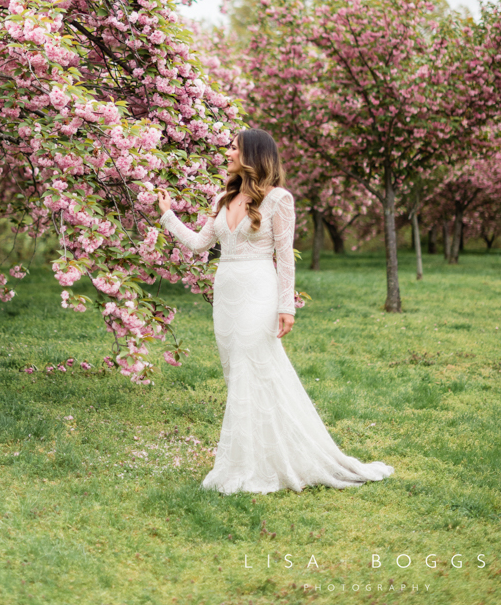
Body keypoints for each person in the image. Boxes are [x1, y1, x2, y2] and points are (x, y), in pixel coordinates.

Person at [157, 127, 394, 495]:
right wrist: (168, 215)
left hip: (258, 292)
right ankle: (254, 454)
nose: (228, 152)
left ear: (253, 155)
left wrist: (287, 307)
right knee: (238, 372)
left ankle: (254, 465)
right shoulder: (223, 199)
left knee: (255, 368)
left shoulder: (279, 199)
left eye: (234, 148)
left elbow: (285, 257)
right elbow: (198, 244)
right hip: (226, 294)